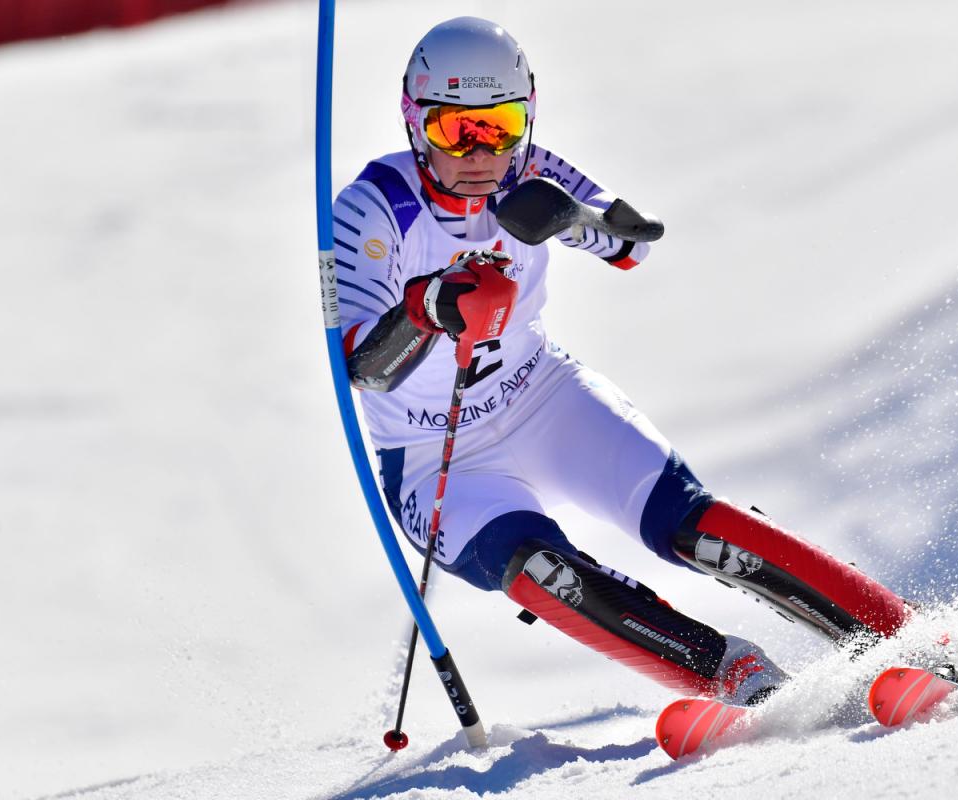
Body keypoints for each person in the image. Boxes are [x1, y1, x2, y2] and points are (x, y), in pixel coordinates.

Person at [332, 16, 909, 708]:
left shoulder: (534, 171)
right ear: (414, 122)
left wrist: (568, 214)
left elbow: (634, 240)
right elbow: (363, 368)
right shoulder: (373, 207)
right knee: (542, 570)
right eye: (457, 130)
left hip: (538, 400)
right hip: (435, 457)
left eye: (503, 126)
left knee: (690, 524)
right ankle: (728, 673)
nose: (482, 152)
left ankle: (899, 636)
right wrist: (428, 306)